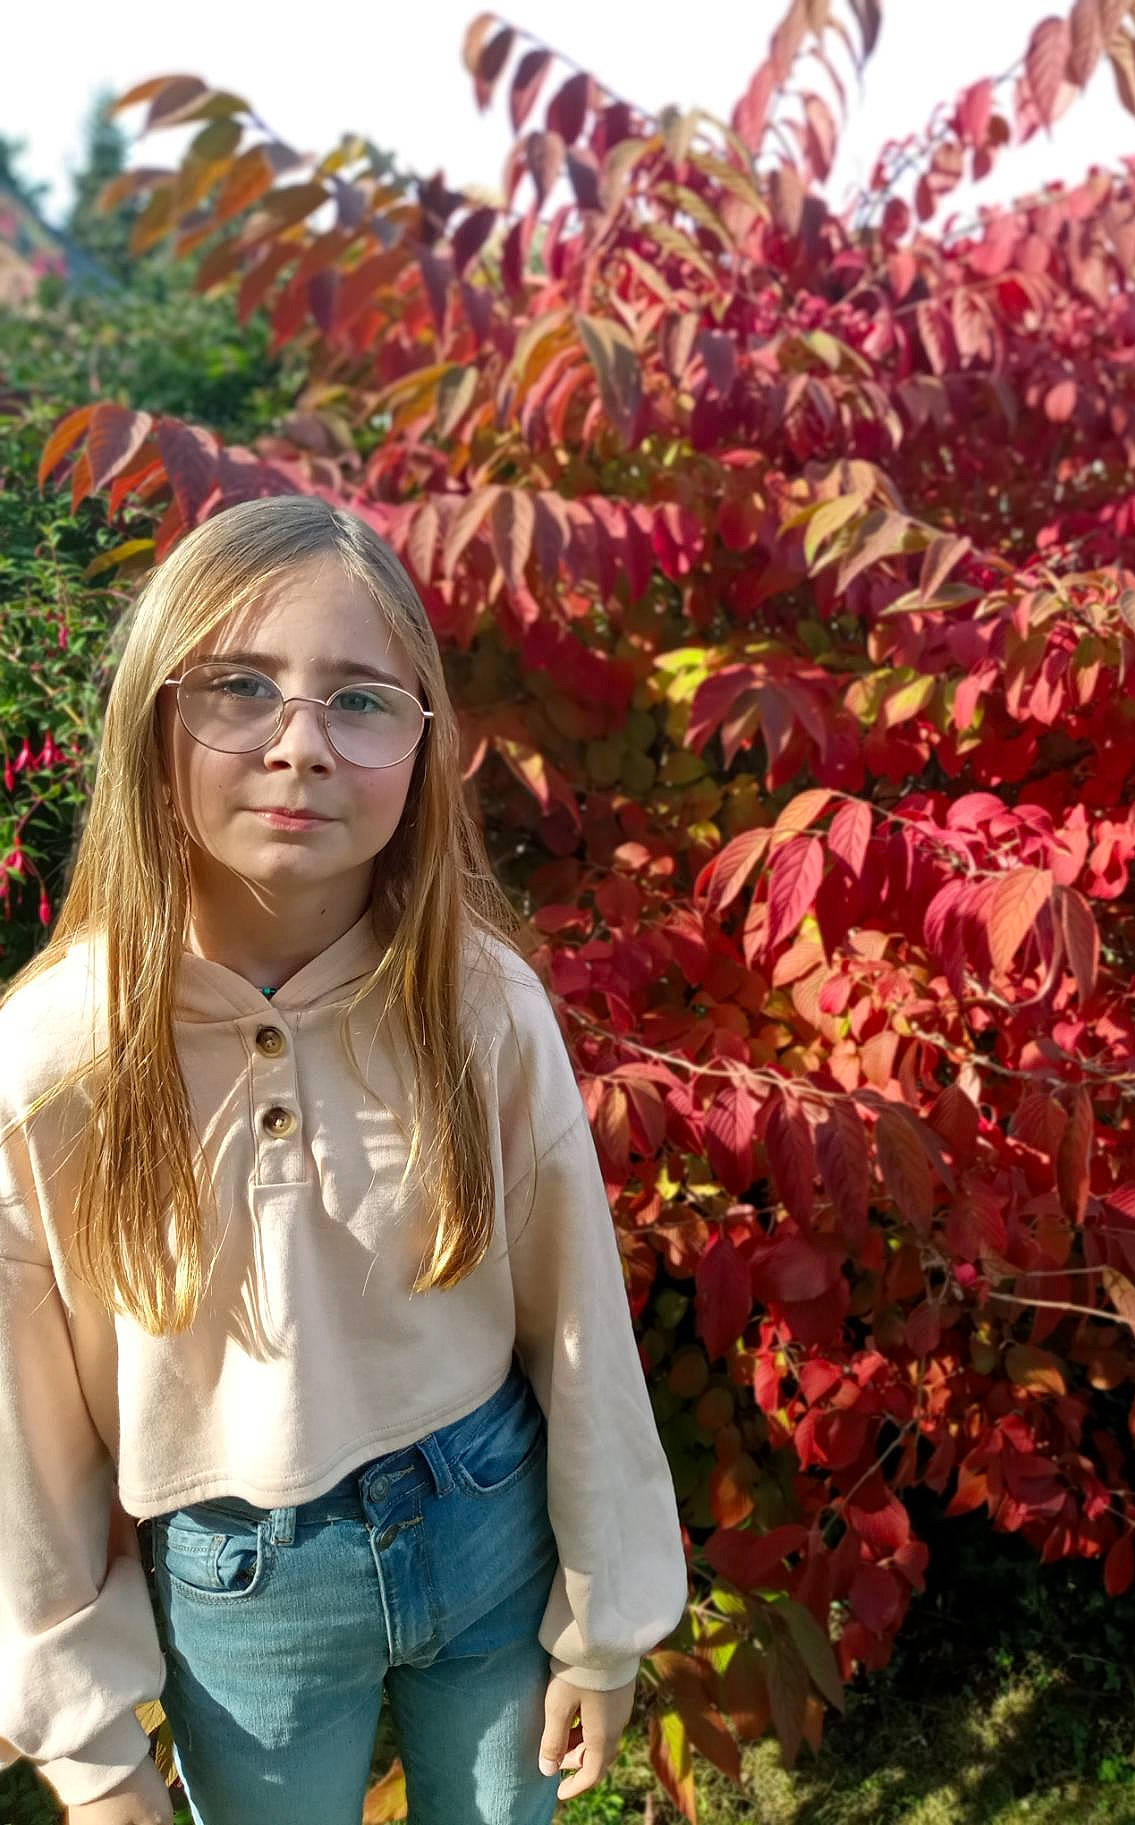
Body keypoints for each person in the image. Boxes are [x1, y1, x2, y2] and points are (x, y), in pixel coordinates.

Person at [0, 494, 688, 1825]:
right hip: (240, 1593)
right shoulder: (53, 1061)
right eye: (239, 686)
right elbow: (22, 1438)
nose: (300, 745)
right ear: (153, 719)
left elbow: (578, 1329)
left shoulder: (477, 1004)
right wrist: (91, 1755)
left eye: (361, 699)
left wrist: (605, 1621)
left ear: (424, 745)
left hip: (486, 1522)